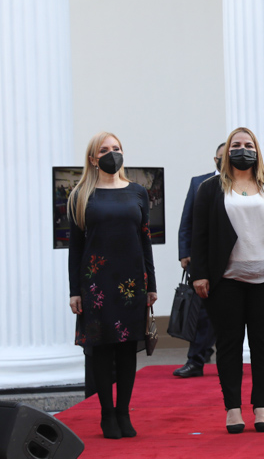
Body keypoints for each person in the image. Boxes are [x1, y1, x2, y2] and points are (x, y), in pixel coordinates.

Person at [191, 127, 264, 434]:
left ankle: (262, 406)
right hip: (225, 280)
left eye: (248, 144)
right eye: (236, 145)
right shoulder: (211, 189)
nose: (243, 149)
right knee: (228, 345)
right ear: (227, 152)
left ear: (257, 151)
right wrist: (199, 274)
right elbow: (199, 235)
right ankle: (232, 409)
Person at [68, 132, 157, 439]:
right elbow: (76, 248)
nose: (111, 154)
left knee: (126, 349)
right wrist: (74, 291)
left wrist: (151, 284)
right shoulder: (81, 194)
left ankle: (124, 412)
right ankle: (107, 414)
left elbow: (145, 239)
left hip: (131, 281)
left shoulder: (137, 192)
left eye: (116, 149)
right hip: (96, 283)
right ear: (93, 159)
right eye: (104, 150)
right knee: (103, 349)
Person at [173, 142, 224, 378]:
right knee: (200, 312)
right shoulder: (199, 182)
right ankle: (195, 361)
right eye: (223, 156)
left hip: (234, 261)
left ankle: (215, 355)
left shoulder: (247, 183)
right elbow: (187, 220)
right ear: (215, 160)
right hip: (202, 259)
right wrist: (184, 252)